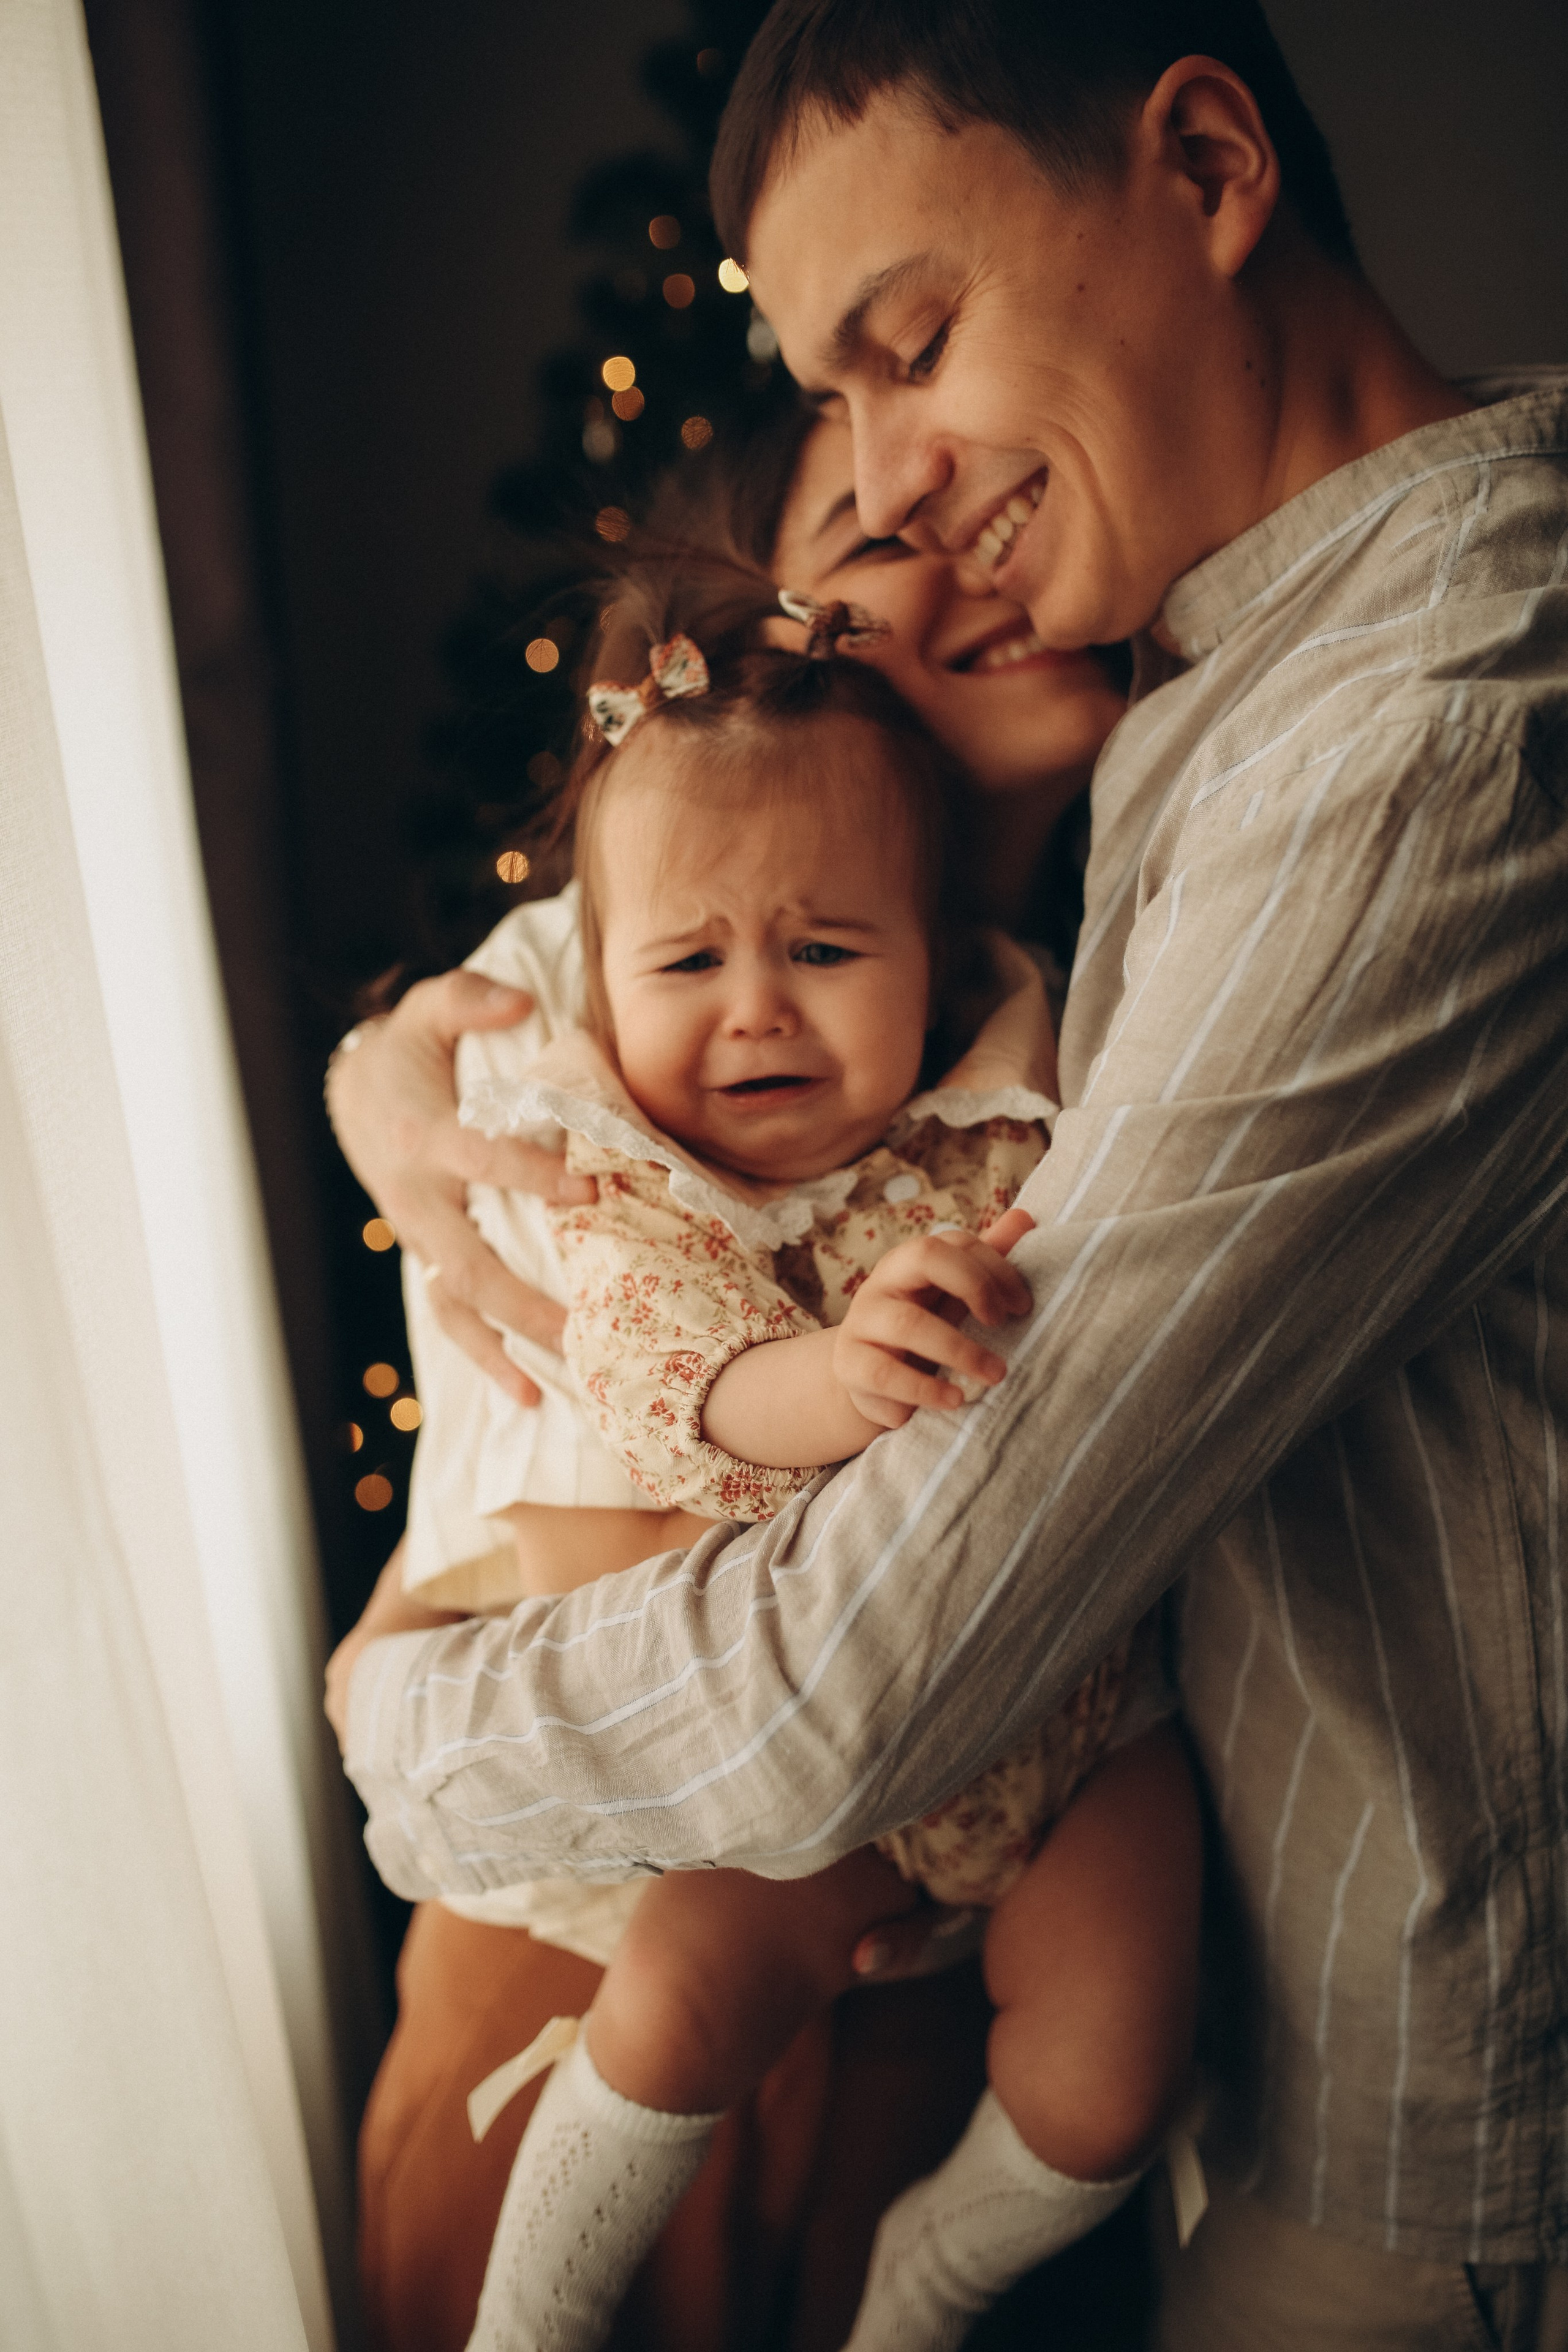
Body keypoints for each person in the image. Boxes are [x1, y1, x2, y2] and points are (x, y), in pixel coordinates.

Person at [340, 2, 1568, 2345]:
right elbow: (506, 1033)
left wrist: (403, 1727)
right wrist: (385, 1079)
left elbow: (896, 1646)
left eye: (912, 348)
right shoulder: (1210, 711)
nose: (892, 505)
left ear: (1205, 169)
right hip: (836, 1918)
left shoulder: (1397, 745)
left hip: (1405, 2104)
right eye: (830, 428)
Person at [326, 411, 1136, 2351]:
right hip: (581, 1931)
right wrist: (378, 1081)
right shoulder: (585, 979)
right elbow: (454, 1084)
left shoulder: (1109, 977)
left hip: (943, 1941)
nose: (964, 566)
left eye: (1010, 502)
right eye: (871, 539)